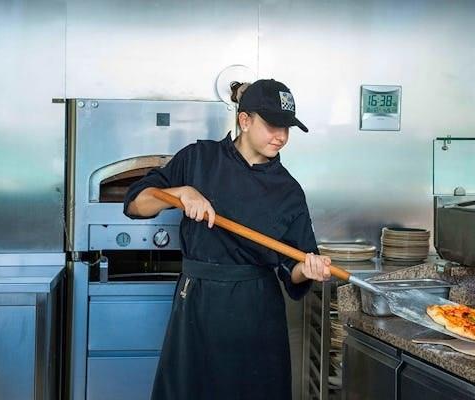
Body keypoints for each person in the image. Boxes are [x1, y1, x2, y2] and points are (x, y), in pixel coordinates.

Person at [123, 79, 332, 400]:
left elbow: (293, 268)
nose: (281, 136)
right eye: (272, 125)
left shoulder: (288, 190)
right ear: (244, 121)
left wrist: (308, 268)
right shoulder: (198, 158)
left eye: (287, 128)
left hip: (257, 311)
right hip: (198, 304)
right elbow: (136, 203)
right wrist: (181, 193)